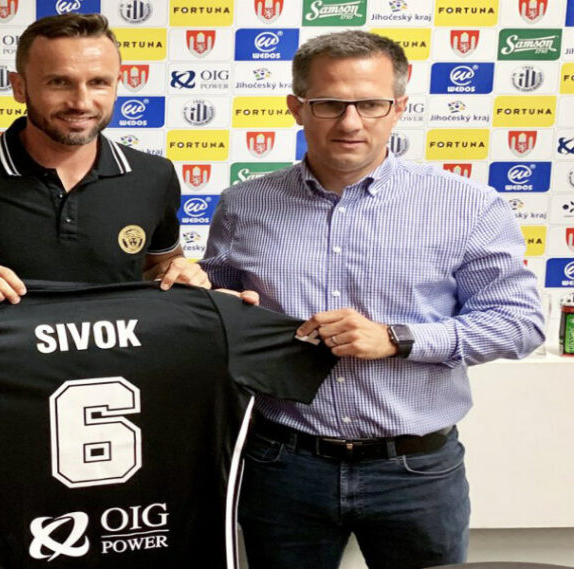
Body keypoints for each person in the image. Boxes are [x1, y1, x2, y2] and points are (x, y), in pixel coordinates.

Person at [200, 31, 544, 569]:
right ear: (296, 107)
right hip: (282, 465)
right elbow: (214, 313)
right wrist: (199, 294)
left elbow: (520, 324)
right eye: (329, 104)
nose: (350, 122)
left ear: (399, 107)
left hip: (416, 470)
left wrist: (397, 339)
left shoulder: (468, 205)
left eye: (371, 104)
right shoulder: (244, 205)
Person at [0, 12, 209, 314]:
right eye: (59, 82)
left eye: (98, 82)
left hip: (119, 351)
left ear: (117, 84)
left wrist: (178, 273)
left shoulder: (154, 176)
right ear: (19, 87)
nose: (81, 102)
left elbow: (158, 265)